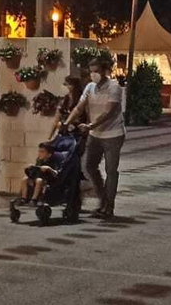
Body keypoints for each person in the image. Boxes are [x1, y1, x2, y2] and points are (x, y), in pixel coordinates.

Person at [65, 55, 126, 219]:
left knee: (111, 170)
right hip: (95, 135)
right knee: (88, 166)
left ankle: (108, 206)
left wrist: (91, 125)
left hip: (113, 134)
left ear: (105, 71)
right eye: (91, 72)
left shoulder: (114, 87)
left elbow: (110, 111)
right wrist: (66, 122)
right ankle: (102, 199)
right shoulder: (90, 87)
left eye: (97, 71)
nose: (94, 75)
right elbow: (79, 107)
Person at [50, 75, 85, 141]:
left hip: (77, 134)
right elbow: (56, 119)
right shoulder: (63, 101)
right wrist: (50, 137)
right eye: (64, 84)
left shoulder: (81, 100)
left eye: (67, 84)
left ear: (74, 86)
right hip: (64, 134)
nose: (65, 87)